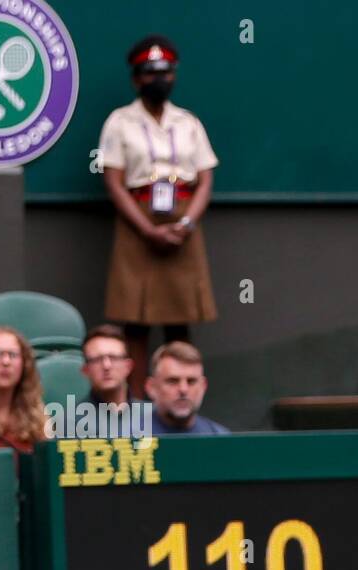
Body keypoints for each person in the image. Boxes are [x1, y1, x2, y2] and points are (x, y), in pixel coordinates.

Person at [99, 35, 218, 394]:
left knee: (180, 320)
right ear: (136, 79)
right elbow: (114, 182)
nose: (159, 80)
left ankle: (182, 399)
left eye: (165, 73)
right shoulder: (119, 122)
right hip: (138, 222)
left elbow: (205, 177)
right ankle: (134, 405)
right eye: (151, 74)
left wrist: (186, 223)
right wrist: (148, 230)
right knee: (136, 321)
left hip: (182, 221)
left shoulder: (189, 123)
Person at [145, 340, 228, 435]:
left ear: (203, 386)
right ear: (151, 387)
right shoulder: (129, 440)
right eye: (173, 381)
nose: (183, 389)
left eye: (191, 381)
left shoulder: (220, 440)